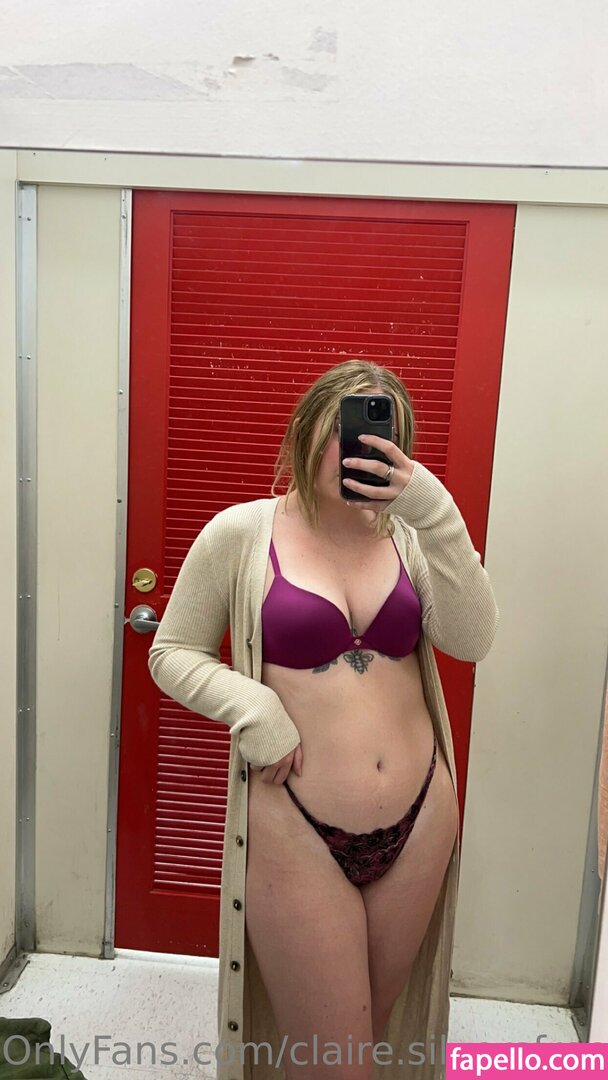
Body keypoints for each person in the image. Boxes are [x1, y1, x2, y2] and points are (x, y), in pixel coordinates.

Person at [148, 359, 499, 1080]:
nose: (361, 445)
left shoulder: (410, 537)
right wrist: (253, 704)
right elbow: (172, 652)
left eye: (382, 430)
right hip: (296, 827)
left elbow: (472, 639)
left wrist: (435, 511)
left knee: (371, 1038)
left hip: (421, 818)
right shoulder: (241, 533)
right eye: (347, 425)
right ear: (308, 429)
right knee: (332, 1061)